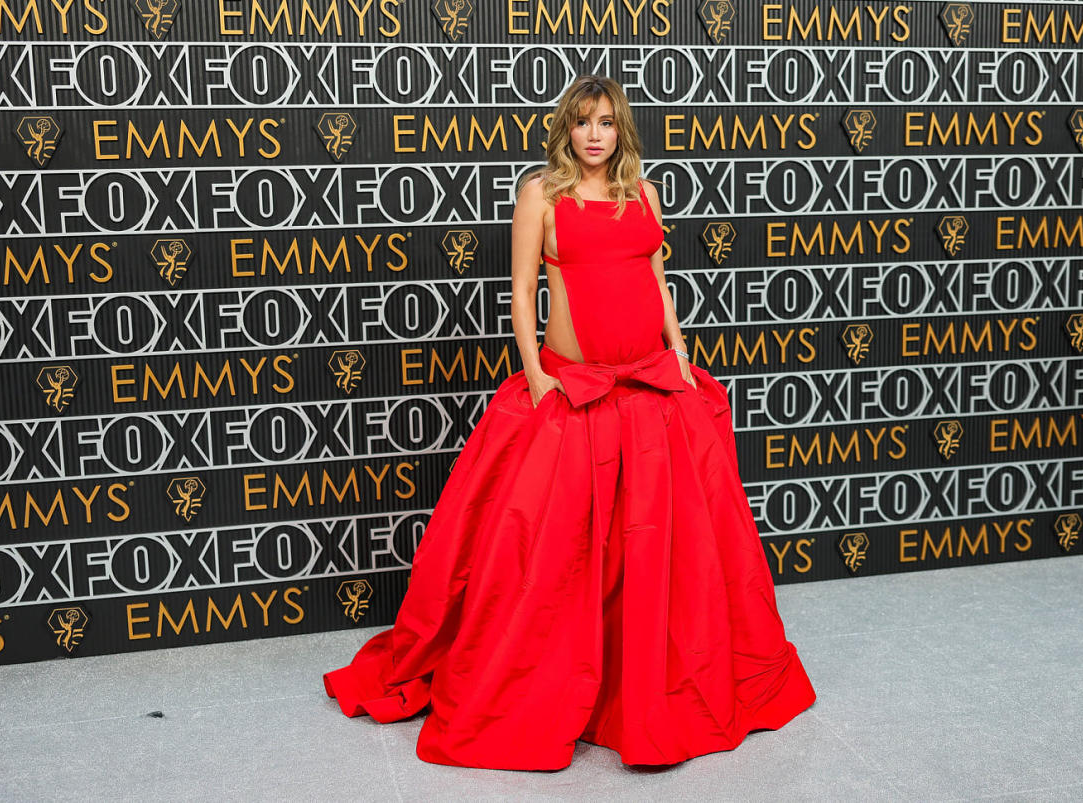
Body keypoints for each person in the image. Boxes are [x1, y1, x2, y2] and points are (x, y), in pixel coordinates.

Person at [323, 74, 816, 771]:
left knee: (656, 552)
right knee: (555, 557)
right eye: (584, 122)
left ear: (622, 132)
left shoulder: (643, 194)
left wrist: (679, 350)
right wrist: (535, 373)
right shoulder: (542, 196)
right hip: (575, 390)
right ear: (567, 129)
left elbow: (655, 277)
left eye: (608, 123)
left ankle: (638, 687)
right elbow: (523, 288)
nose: (595, 134)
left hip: (650, 390)